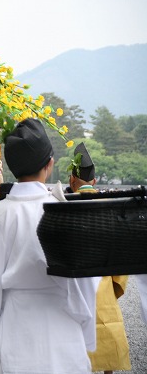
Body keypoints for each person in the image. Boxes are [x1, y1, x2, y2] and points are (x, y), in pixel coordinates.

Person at [0, 118, 99, 373]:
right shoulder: (68, 212)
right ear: (50, 164)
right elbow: (88, 279)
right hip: (62, 327)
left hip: (15, 326)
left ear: (11, 166)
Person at [69, 142, 131, 374]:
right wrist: (114, 287)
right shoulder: (111, 209)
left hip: (71, 290)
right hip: (103, 288)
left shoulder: (63, 208)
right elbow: (121, 256)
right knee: (106, 349)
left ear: (72, 180)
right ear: (94, 181)